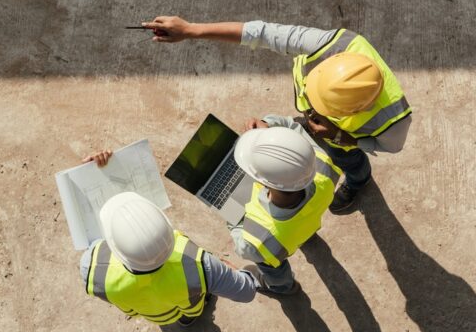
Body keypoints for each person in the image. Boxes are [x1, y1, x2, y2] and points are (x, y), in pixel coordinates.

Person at [141, 16, 412, 213]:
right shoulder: (331, 44)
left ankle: (359, 181)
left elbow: (390, 148)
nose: (310, 110)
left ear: (354, 109)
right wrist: (191, 29)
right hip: (334, 129)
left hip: (343, 142)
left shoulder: (393, 122)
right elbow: (261, 33)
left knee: (351, 162)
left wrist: (344, 138)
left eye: (320, 107)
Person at [79, 151, 260, 327]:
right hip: (188, 305)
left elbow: (91, 237)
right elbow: (246, 291)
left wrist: (91, 175)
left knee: (160, 311)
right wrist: (226, 271)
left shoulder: (91, 268)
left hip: (152, 314)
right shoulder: (202, 265)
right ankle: (188, 319)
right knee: (190, 309)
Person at [227, 119, 342, 294]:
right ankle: (307, 238)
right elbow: (292, 127)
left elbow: (243, 248)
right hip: (304, 225)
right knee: (302, 228)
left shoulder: (257, 242)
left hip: (278, 245)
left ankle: (282, 287)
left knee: (272, 267)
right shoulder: (323, 167)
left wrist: (231, 216)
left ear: (259, 181)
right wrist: (269, 130)